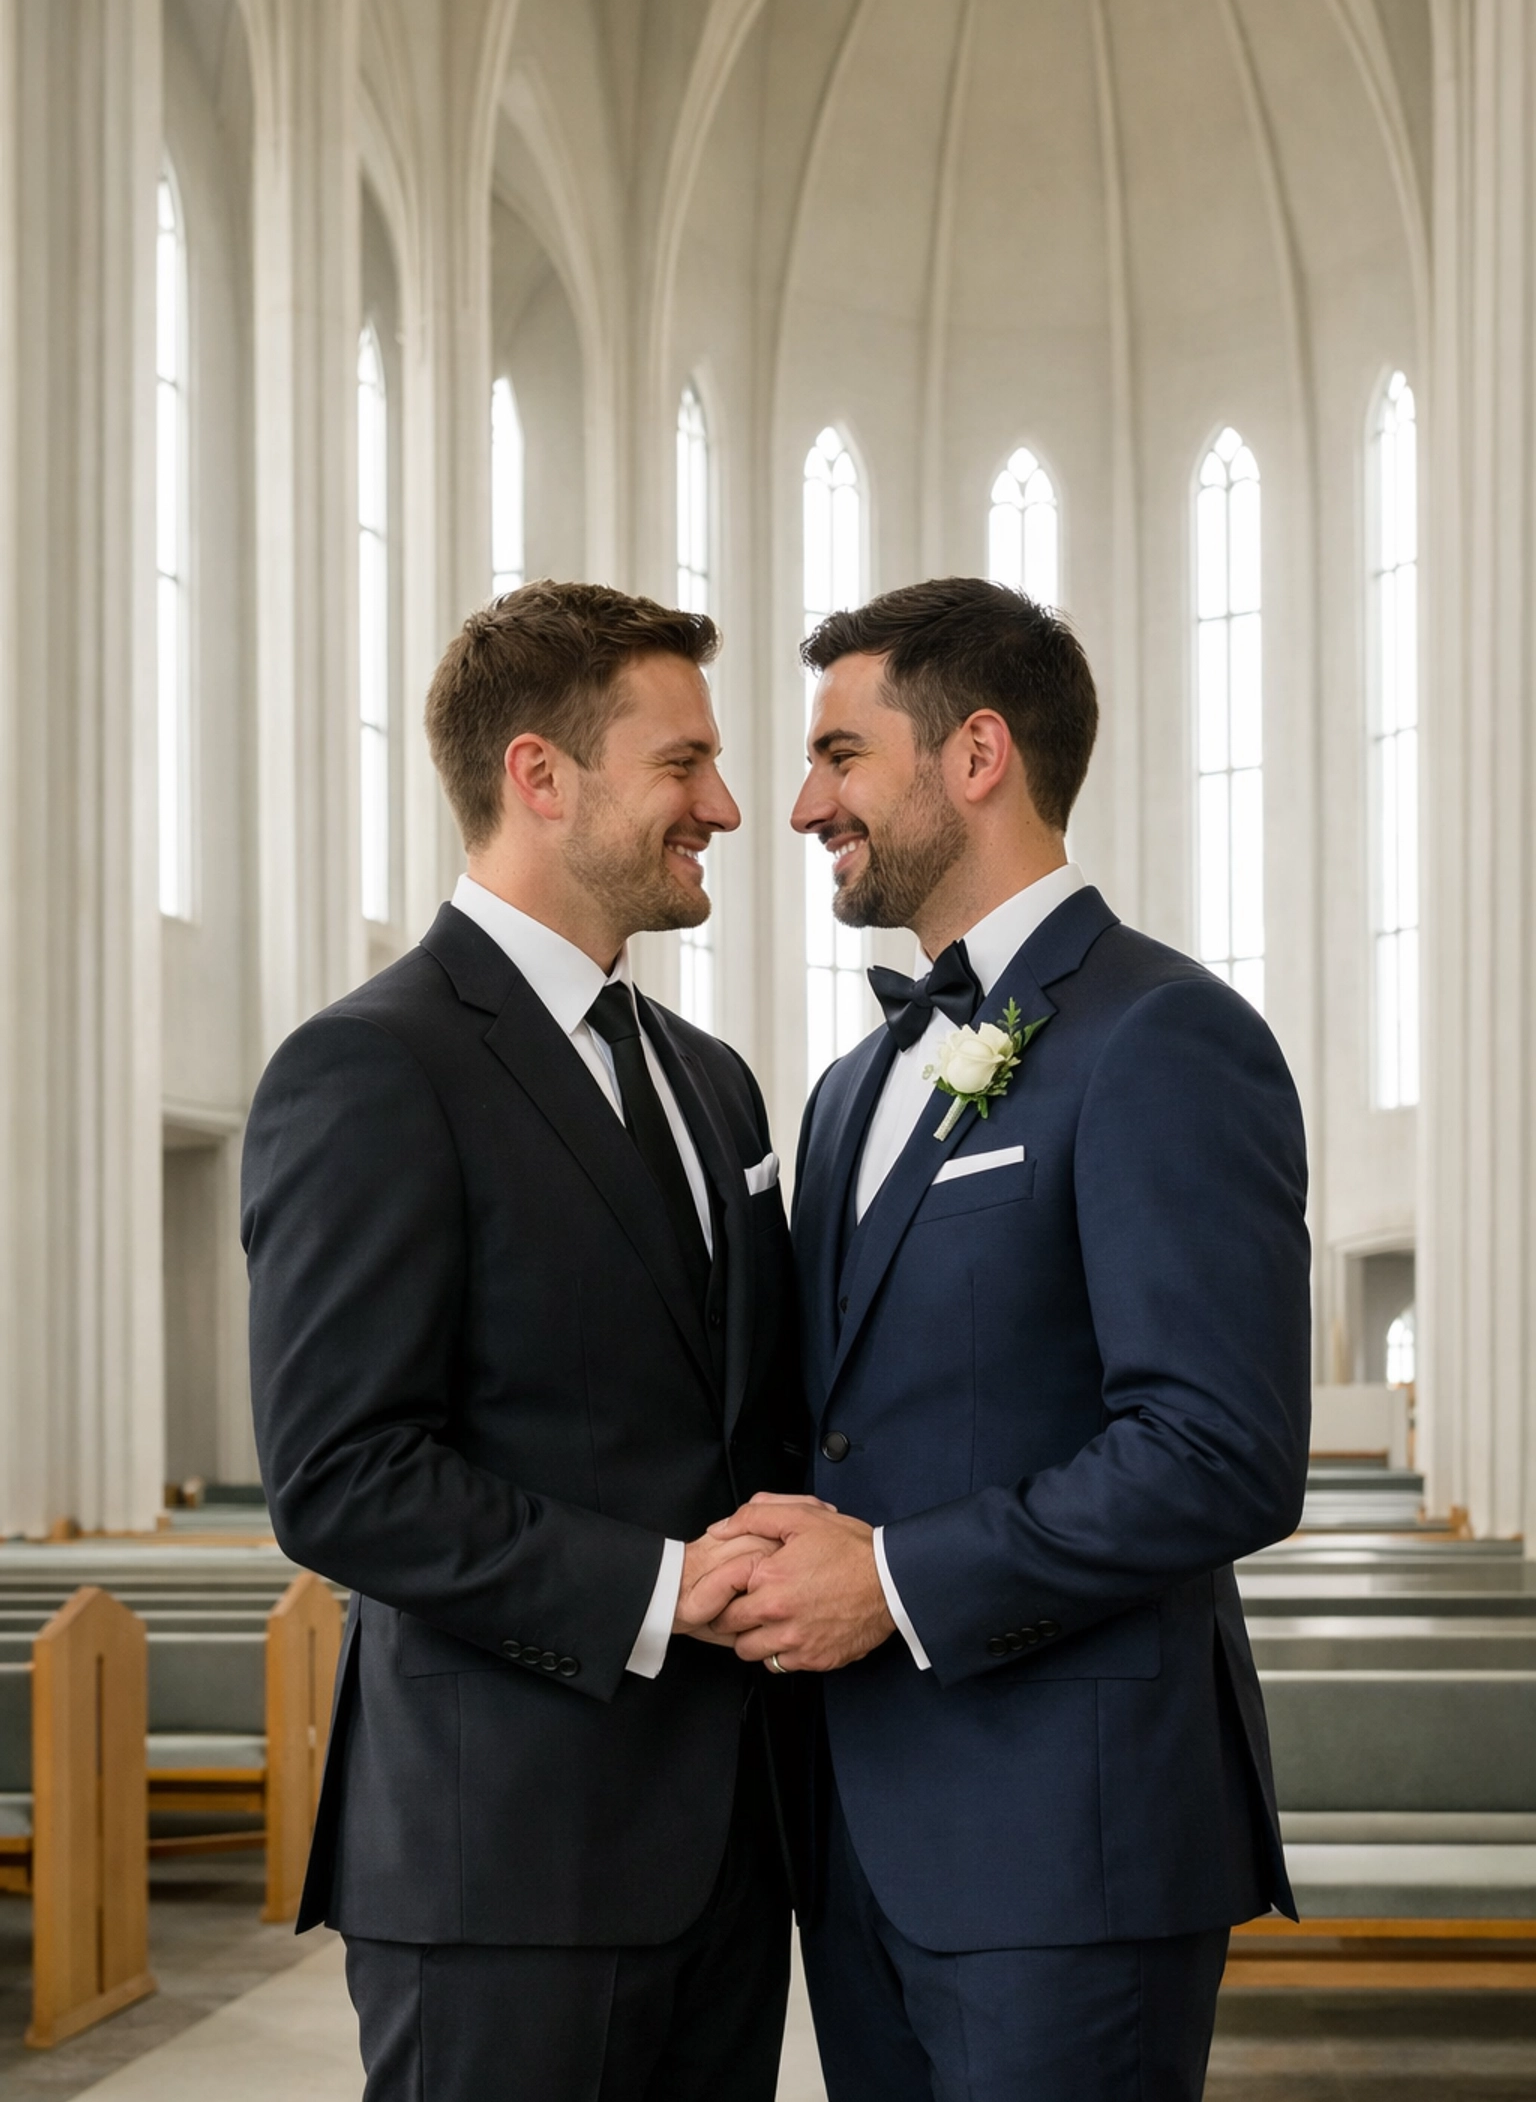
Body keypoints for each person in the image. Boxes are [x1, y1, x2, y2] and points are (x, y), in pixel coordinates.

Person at [708, 576, 1312, 2102]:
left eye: (841, 756)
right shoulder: (851, 1093)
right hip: (859, 1842)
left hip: (1070, 1852)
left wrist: (897, 1581)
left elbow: (1219, 1454)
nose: (798, 804)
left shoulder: (1164, 1036)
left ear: (977, 755)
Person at [243, 581, 803, 2102]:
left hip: (731, 1855)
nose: (729, 807)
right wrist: (659, 1588)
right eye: (683, 765)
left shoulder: (714, 1083)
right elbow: (343, 1477)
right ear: (541, 777)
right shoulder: (371, 1068)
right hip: (499, 1868)